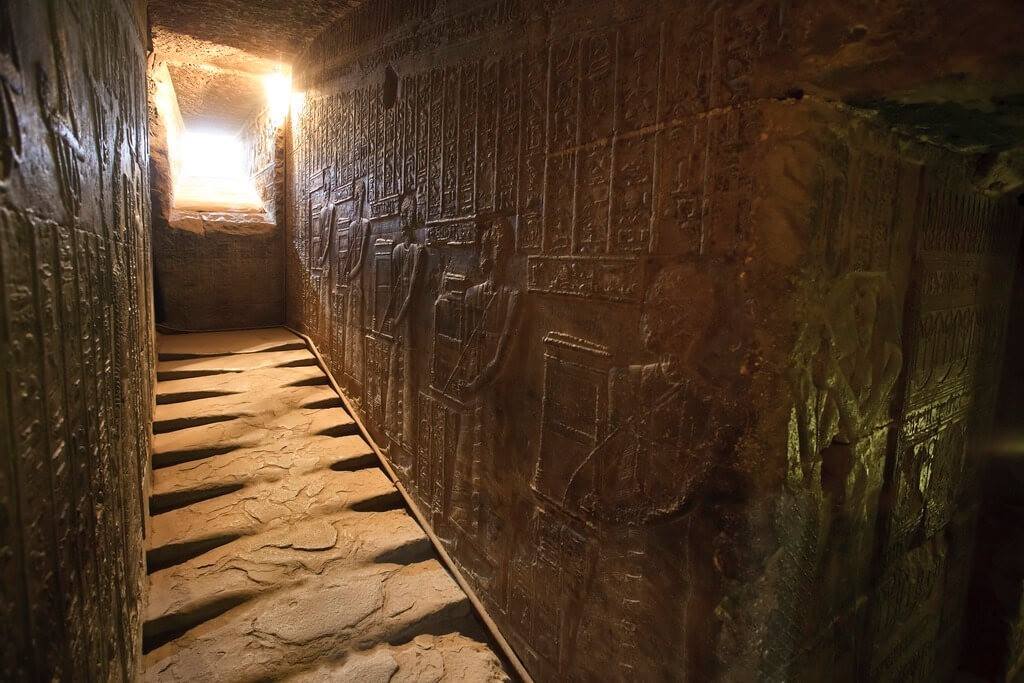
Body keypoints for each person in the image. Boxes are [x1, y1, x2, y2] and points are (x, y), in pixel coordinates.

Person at [384, 192, 426, 448]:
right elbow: (394, 288)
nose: (405, 217)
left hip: (410, 321)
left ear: (415, 216)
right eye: (402, 213)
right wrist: (390, 315)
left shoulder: (418, 252)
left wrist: (398, 318)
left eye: (409, 213)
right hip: (399, 314)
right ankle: (392, 433)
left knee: (408, 370)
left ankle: (408, 439)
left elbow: (411, 291)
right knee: (394, 368)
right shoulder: (398, 250)